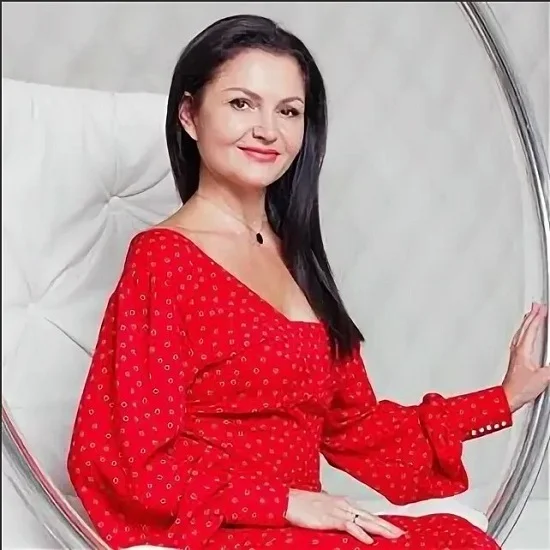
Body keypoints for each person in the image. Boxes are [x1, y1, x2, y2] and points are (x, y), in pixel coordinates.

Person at [67, 14, 550, 550]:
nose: (267, 130)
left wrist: (503, 399)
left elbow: (357, 428)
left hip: (303, 529)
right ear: (189, 115)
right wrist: (281, 503)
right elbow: (126, 460)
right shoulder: (162, 259)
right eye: (241, 103)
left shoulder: (296, 258)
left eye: (288, 111)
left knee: (457, 538)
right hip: (221, 527)